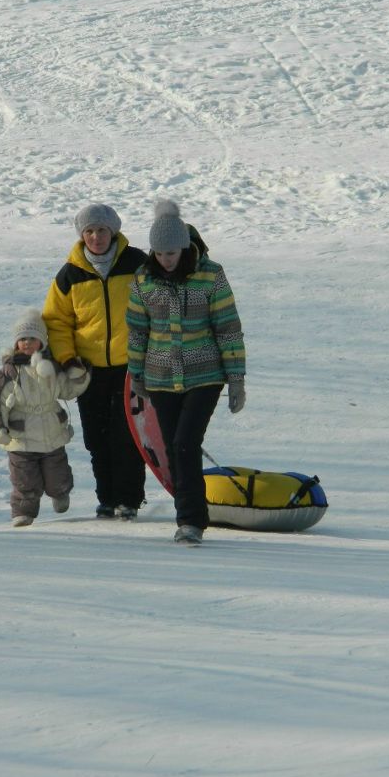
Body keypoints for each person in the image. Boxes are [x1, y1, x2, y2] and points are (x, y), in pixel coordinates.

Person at [126, 200, 246, 545]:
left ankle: (191, 521)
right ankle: (191, 514)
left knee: (184, 444)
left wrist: (236, 379)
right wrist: (138, 375)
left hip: (204, 374)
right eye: (159, 253)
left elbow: (228, 328)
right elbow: (137, 331)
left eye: (172, 252)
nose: (166, 259)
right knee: (172, 447)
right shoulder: (143, 279)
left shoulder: (210, 274)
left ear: (184, 246)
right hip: (161, 376)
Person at [43, 203, 148, 520]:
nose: (96, 237)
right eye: (89, 231)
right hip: (88, 371)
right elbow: (57, 322)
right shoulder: (70, 274)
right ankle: (107, 498)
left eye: (101, 230)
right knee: (96, 437)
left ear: (113, 231)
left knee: (128, 436)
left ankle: (129, 499)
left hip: (131, 368)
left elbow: (158, 305)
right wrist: (67, 359)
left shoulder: (138, 264)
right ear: (82, 235)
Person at [0, 309, 89, 527]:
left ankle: (60, 493)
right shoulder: (7, 374)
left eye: (32, 338)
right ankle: (23, 512)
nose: (27, 343)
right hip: (20, 437)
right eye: (22, 339)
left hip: (51, 434)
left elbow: (67, 391)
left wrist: (79, 377)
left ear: (42, 342)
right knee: (24, 480)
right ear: (15, 343)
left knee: (57, 474)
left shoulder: (50, 369)